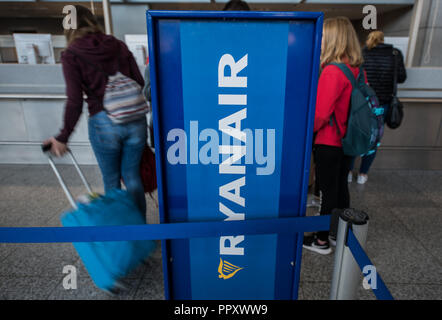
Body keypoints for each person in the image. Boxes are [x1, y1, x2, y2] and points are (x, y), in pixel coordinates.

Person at [43, 5, 148, 218]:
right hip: (135, 121)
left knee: (112, 180)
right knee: (132, 176)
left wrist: (63, 137)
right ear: (91, 21)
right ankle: (141, 234)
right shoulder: (118, 45)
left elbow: (75, 101)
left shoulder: (71, 54)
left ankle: (122, 237)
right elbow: (138, 81)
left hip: (104, 123)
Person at [303, 17, 365, 255]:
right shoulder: (357, 69)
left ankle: (320, 241)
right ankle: (337, 233)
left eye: (323, 37)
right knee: (340, 187)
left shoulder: (332, 71)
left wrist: (307, 133)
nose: (319, 42)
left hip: (329, 140)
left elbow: (320, 114)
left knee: (325, 191)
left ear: (333, 39)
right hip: (349, 140)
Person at [348, 30, 407, 185]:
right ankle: (362, 174)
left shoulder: (362, 53)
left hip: (362, 104)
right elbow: (401, 77)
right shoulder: (395, 54)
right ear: (383, 39)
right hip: (382, 105)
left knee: (356, 134)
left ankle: (348, 171)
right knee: (373, 138)